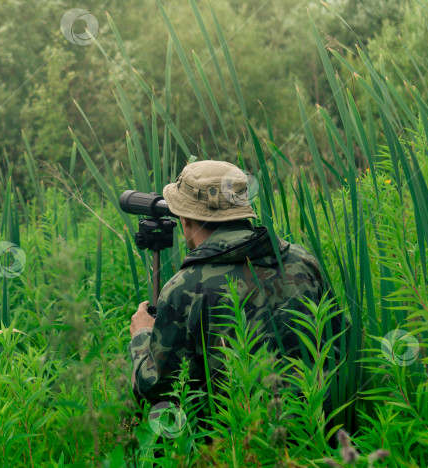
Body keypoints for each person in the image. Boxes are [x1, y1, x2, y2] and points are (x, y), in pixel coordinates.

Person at [128, 160, 343, 428]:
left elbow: (161, 389)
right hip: (318, 435)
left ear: (184, 218)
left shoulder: (184, 288)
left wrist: (142, 337)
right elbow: (340, 340)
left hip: (239, 445)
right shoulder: (302, 261)